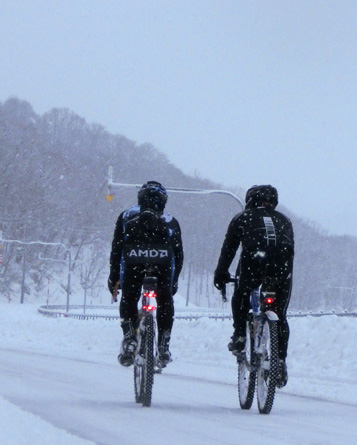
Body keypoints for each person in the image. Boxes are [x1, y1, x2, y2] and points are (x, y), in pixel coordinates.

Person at [213, 185, 294, 387]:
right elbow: (289, 248)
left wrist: (221, 273)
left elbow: (229, 249)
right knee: (280, 314)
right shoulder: (284, 220)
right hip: (282, 265)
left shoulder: (242, 217)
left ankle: (240, 335)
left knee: (241, 294)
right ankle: (280, 361)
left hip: (254, 261)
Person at [108, 181, 184, 367]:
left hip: (134, 263)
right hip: (162, 266)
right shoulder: (170, 220)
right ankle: (164, 344)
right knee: (165, 301)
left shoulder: (127, 216)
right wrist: (172, 283)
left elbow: (117, 249)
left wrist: (114, 277)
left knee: (130, 297)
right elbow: (179, 254)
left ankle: (129, 337)